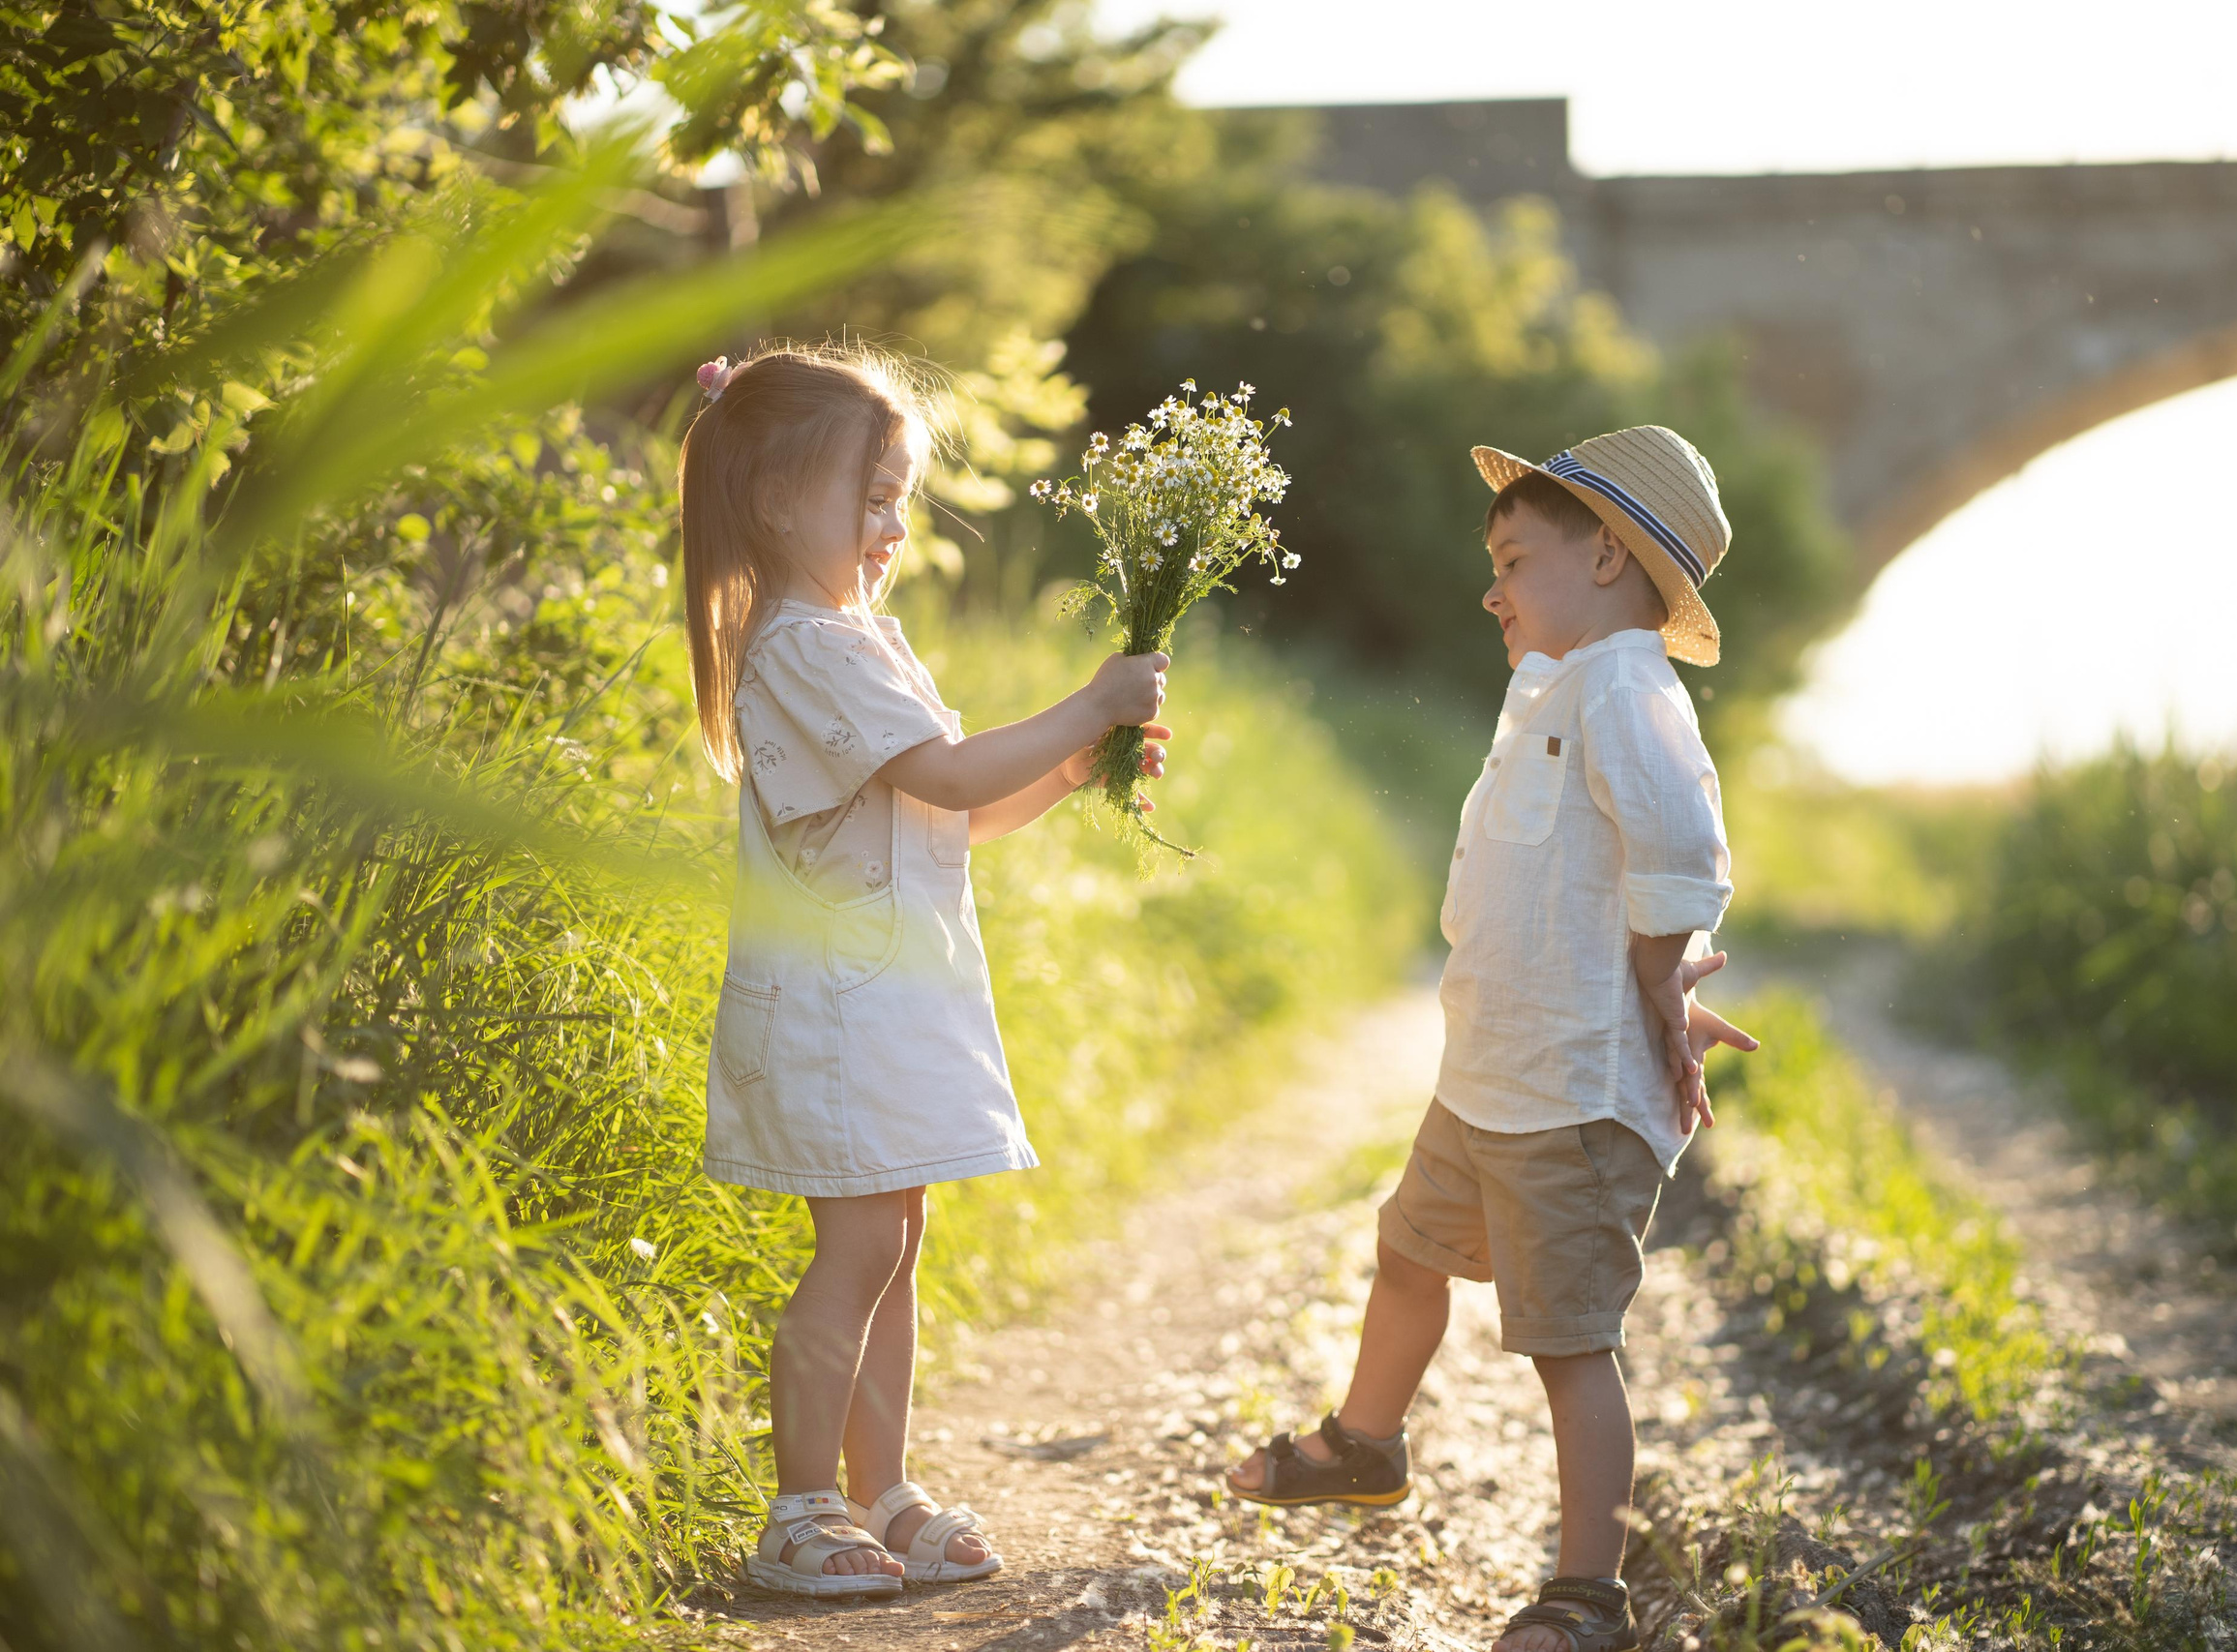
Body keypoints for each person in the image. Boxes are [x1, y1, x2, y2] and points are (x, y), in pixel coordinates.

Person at [1224, 427, 1758, 1652]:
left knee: (1568, 1344)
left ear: (1608, 558)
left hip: (1570, 1093)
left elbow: (1680, 854)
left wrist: (1661, 984)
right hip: (1489, 1078)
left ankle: (1587, 1591)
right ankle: (1365, 1443)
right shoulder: (1558, 686)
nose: (1491, 590)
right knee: (1407, 1252)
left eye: (1513, 562)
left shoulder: (1625, 689)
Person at [680, 345, 1172, 1597]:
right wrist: (1088, 703)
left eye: (900, 500)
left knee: (895, 1244)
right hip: (835, 1013)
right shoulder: (802, 647)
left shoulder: (862, 640)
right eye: (873, 497)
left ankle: (881, 1485)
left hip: (888, 1000)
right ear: (778, 500)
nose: (895, 527)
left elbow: (957, 811)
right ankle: (800, 1505)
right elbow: (949, 775)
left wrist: (1072, 768)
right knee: (856, 1251)